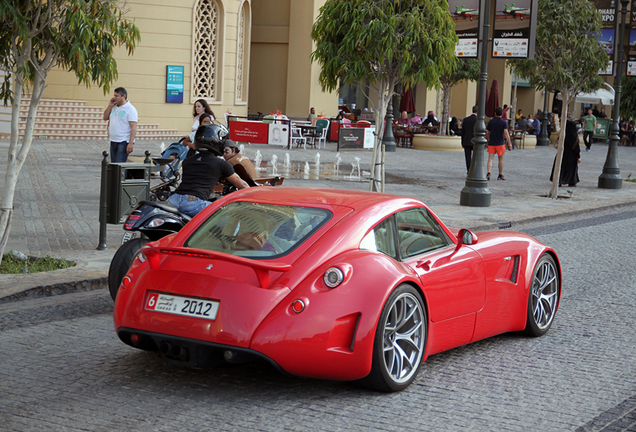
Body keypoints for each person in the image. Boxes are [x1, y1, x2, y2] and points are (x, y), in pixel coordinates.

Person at [168, 124, 249, 217]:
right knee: (229, 216)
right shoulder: (221, 164)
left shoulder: (187, 161)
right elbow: (241, 184)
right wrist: (253, 195)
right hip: (194, 204)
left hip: (174, 200)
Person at [103, 87, 138, 163]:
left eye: (117, 96)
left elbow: (133, 127)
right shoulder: (114, 107)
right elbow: (105, 117)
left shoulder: (130, 109)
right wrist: (110, 106)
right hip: (114, 139)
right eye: (114, 95)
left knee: (119, 164)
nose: (114, 98)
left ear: (123, 96)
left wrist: (131, 143)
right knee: (114, 164)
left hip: (124, 140)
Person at [550, 117, 580, 187]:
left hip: (562, 153)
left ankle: (559, 180)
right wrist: (578, 156)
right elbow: (576, 147)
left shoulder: (563, 135)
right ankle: (571, 181)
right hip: (571, 155)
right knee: (571, 169)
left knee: (561, 167)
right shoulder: (574, 135)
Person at [486, 106, 513, 181]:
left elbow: (487, 132)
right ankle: (500, 174)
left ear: (495, 113)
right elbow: (506, 133)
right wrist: (509, 144)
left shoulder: (491, 122)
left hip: (492, 143)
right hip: (500, 143)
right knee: (501, 160)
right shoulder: (504, 122)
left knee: (490, 159)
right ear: (501, 113)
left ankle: (488, 173)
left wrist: (488, 140)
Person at [460, 105, 478, 174]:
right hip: (475, 141)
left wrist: (462, 142)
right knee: (476, 156)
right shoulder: (478, 120)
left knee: (468, 157)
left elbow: (463, 132)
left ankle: (469, 170)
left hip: (467, 140)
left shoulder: (466, 120)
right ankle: (474, 169)